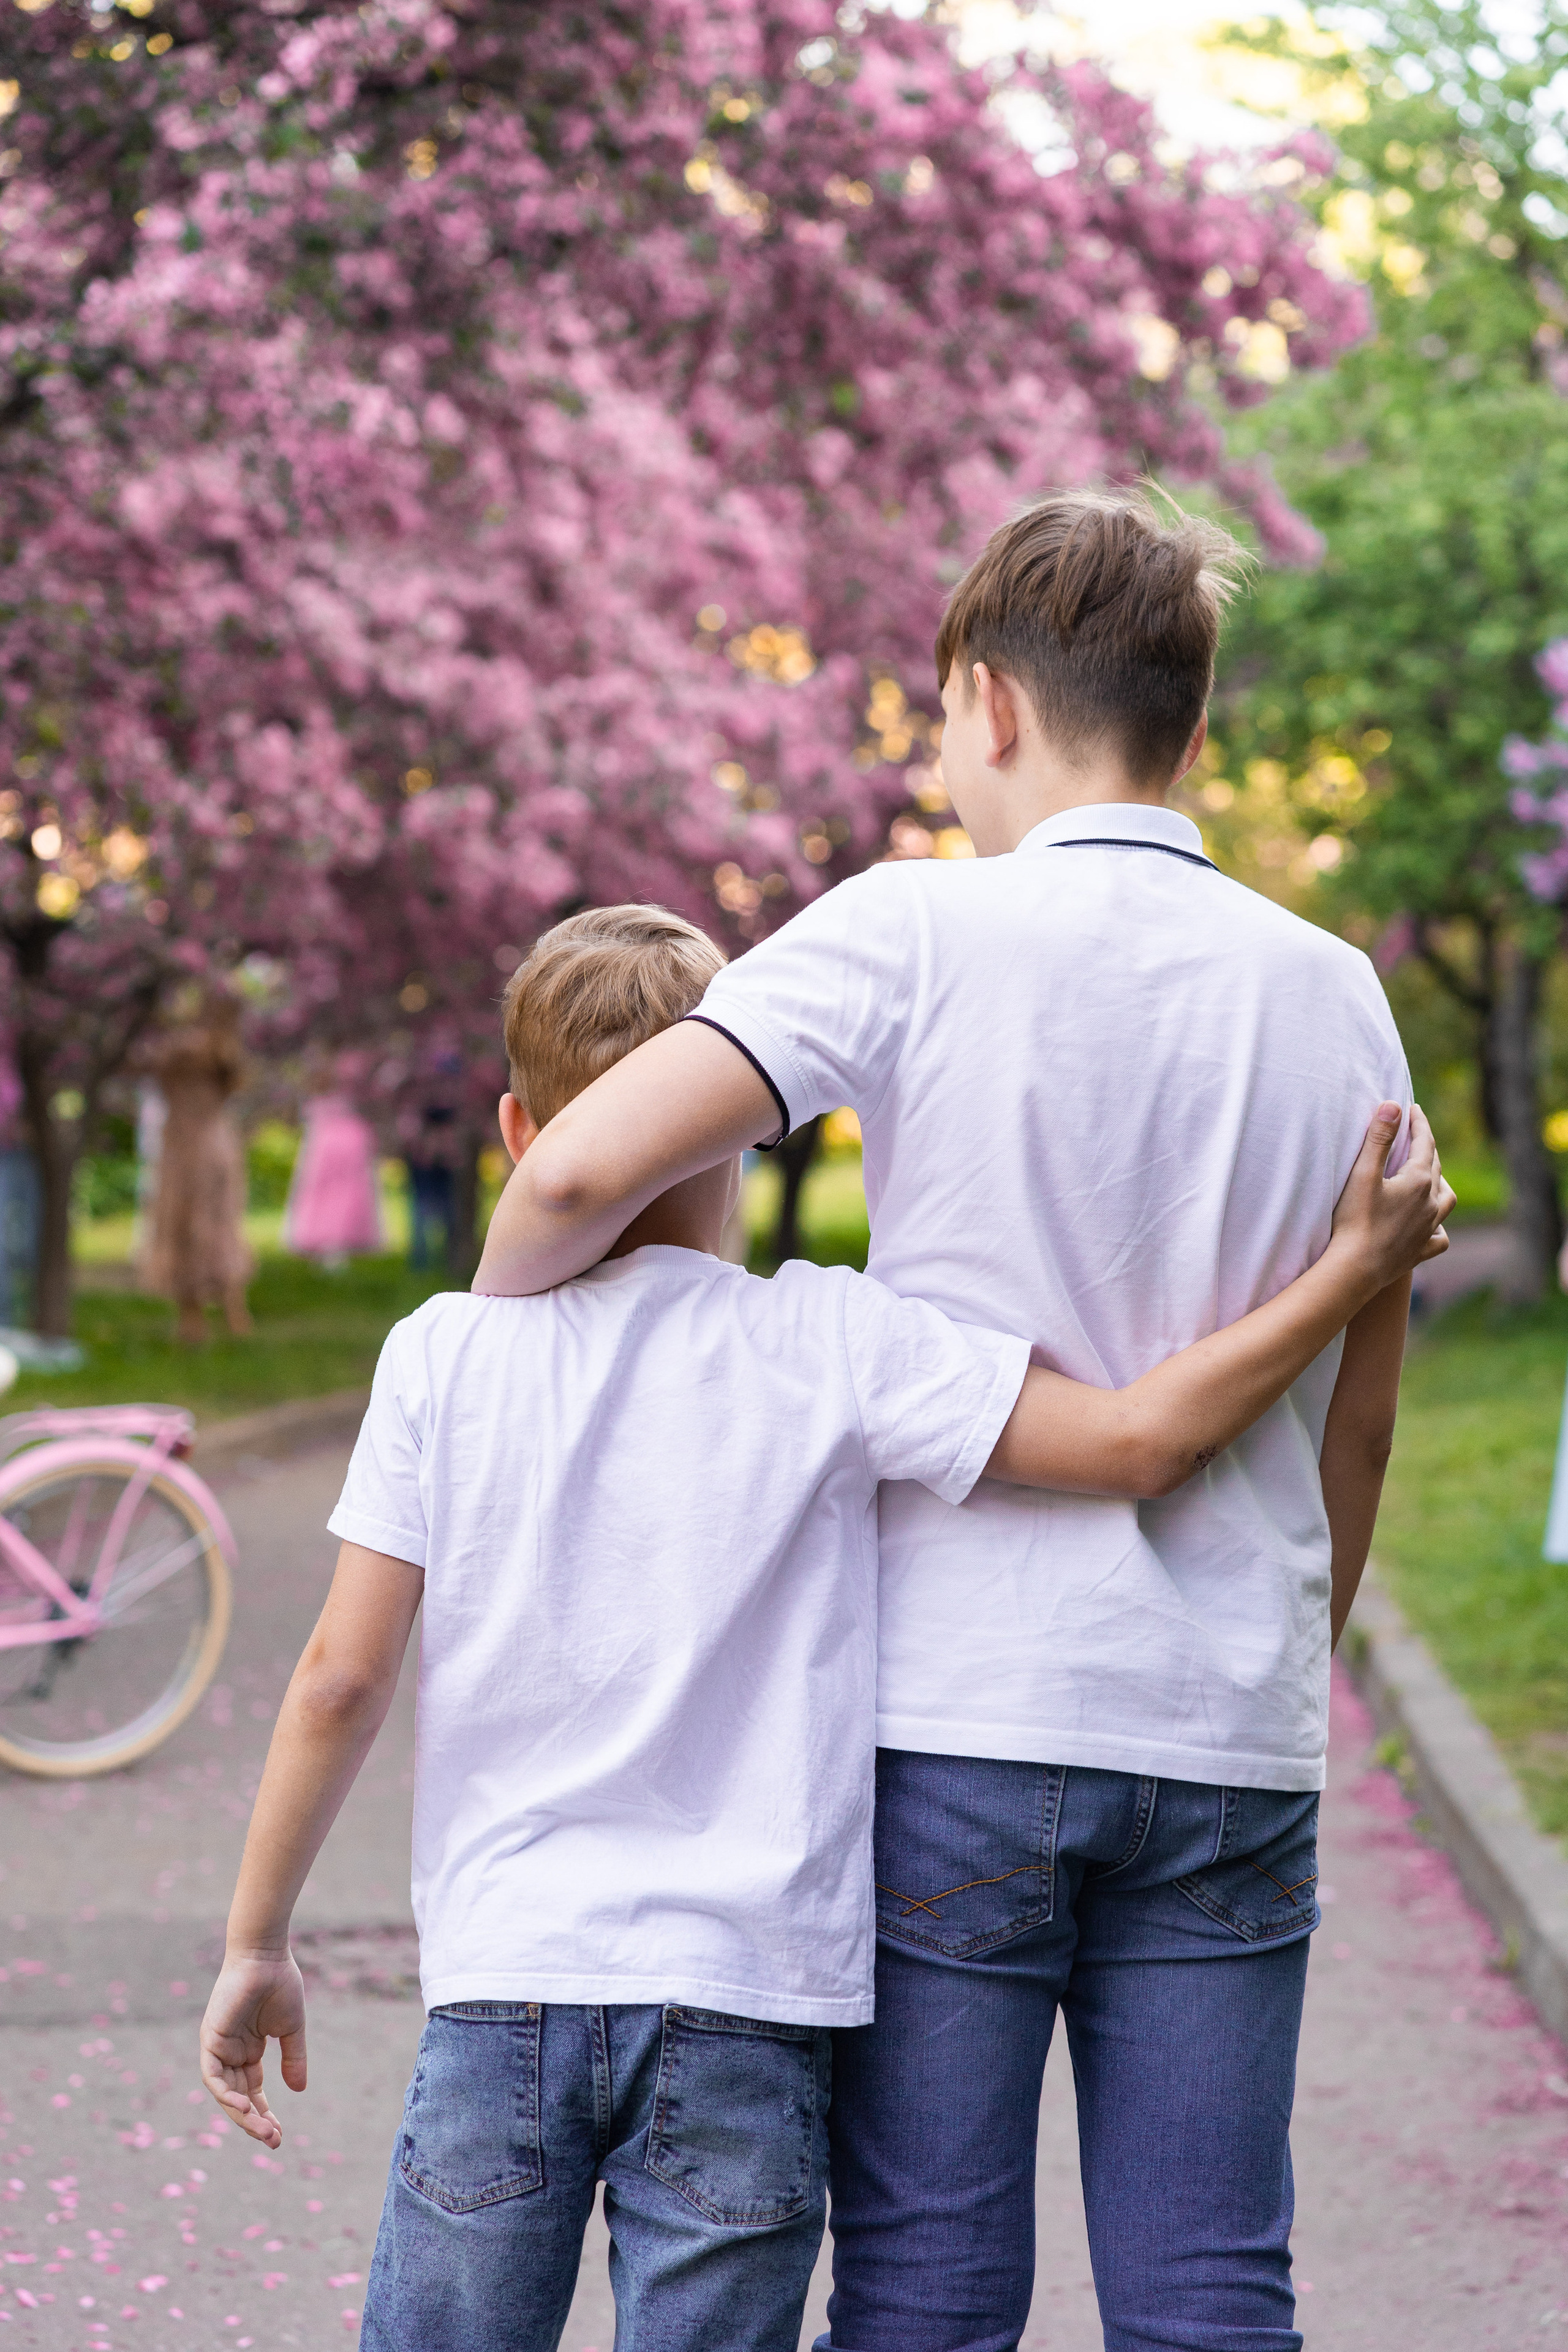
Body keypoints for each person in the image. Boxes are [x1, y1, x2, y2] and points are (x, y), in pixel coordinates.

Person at [198, 906, 1447, 2352]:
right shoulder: (832, 1341)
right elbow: (1130, 1442)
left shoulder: (441, 1353)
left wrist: (257, 1938)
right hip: (748, 2002)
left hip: (504, 1990)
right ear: (746, 1128)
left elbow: (339, 1677)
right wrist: (1347, 1276)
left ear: (513, 1124)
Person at [470, 491, 1429, 2352]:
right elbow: (1366, 1412)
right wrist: (1266, 1667)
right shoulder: (1337, 997)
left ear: (985, 702)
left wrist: (502, 1382)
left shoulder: (907, 930)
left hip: (954, 1724)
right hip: (1224, 1724)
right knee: (1214, 2286)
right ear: (1196, 731)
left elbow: (580, 1162)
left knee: (921, 2288)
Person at [138, 986, 254, 1346]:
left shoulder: (209, 1049)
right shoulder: (178, 1047)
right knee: (185, 1224)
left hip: (204, 1146)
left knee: (210, 1222)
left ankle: (229, 1311)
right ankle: (198, 1316)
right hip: (182, 1147)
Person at [284, 1060, 383, 1267]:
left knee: (335, 1194)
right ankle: (330, 1244)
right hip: (340, 1144)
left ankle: (333, 1244)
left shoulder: (331, 1089)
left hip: (331, 1145)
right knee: (336, 1194)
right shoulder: (343, 1089)